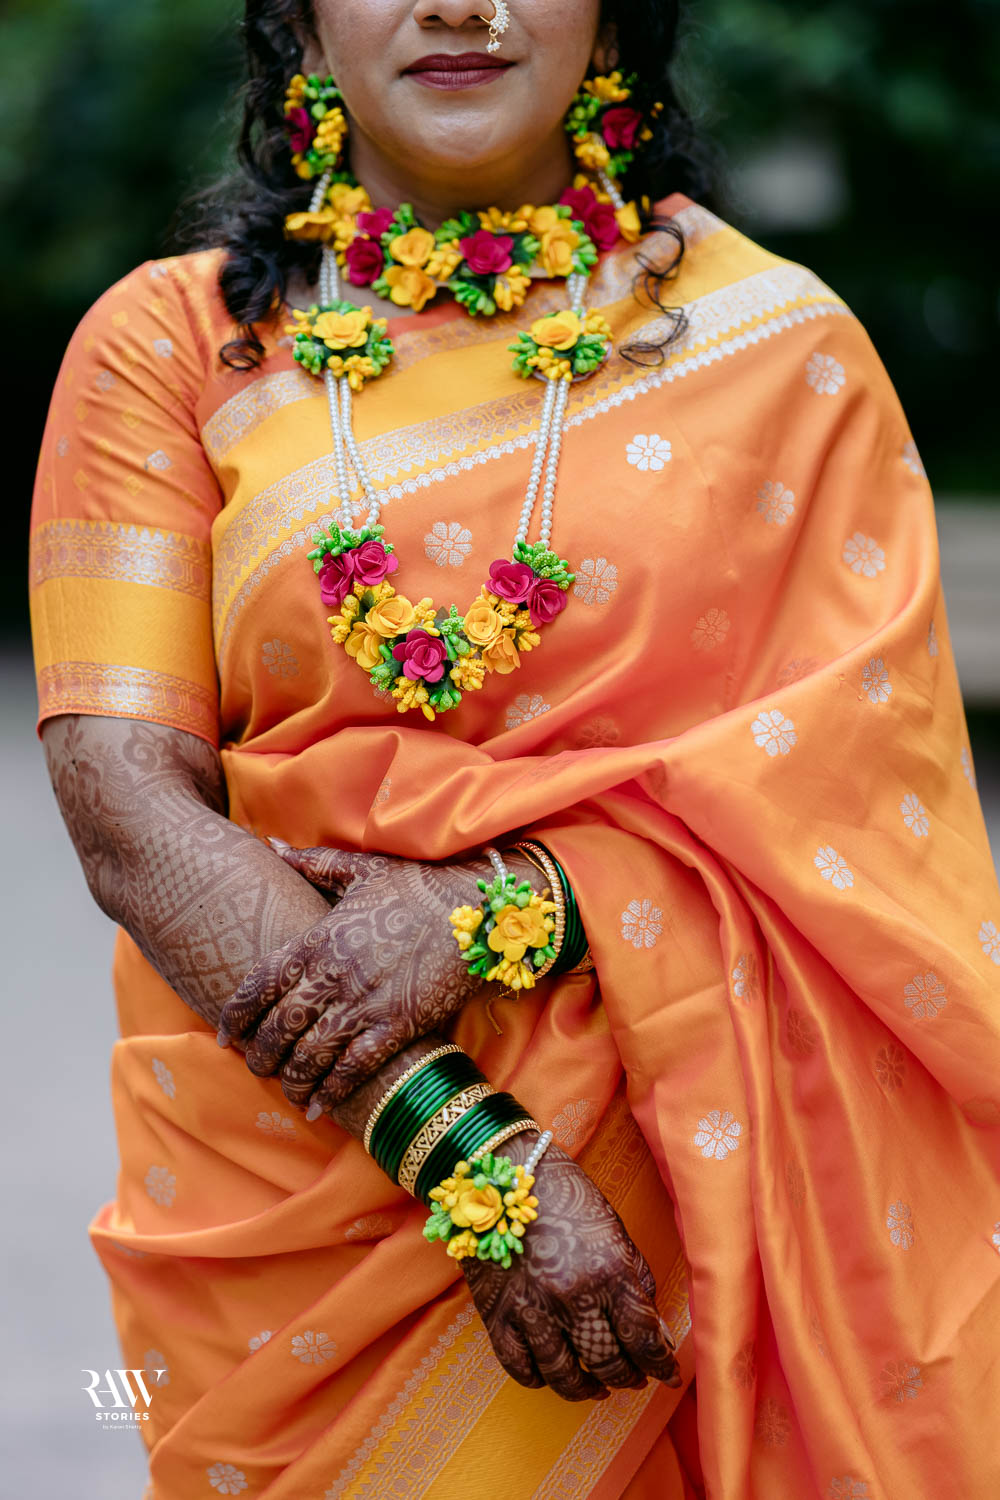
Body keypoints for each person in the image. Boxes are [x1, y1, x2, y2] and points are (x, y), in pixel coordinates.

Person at [27, 0, 1000, 1495]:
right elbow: (122, 796)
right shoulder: (169, 346)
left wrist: (496, 909)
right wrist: (467, 1152)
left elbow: (855, 804)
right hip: (301, 1191)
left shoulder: (781, 351)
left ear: (614, 18)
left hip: (706, 1173)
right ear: (300, 27)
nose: (460, 4)